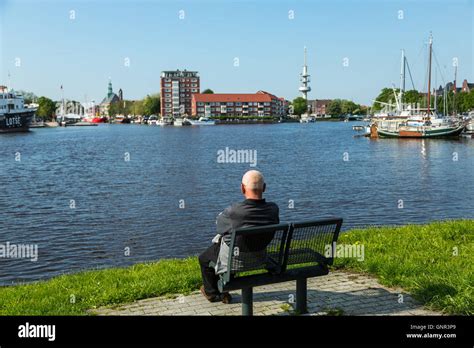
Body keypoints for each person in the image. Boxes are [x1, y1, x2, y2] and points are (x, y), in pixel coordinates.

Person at [198, 170, 280, 303]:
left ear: (242, 188)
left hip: (234, 261)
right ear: (264, 188)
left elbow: (219, 227)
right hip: (259, 258)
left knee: (204, 258)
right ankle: (222, 290)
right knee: (235, 247)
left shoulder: (234, 211)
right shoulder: (273, 209)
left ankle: (212, 293)